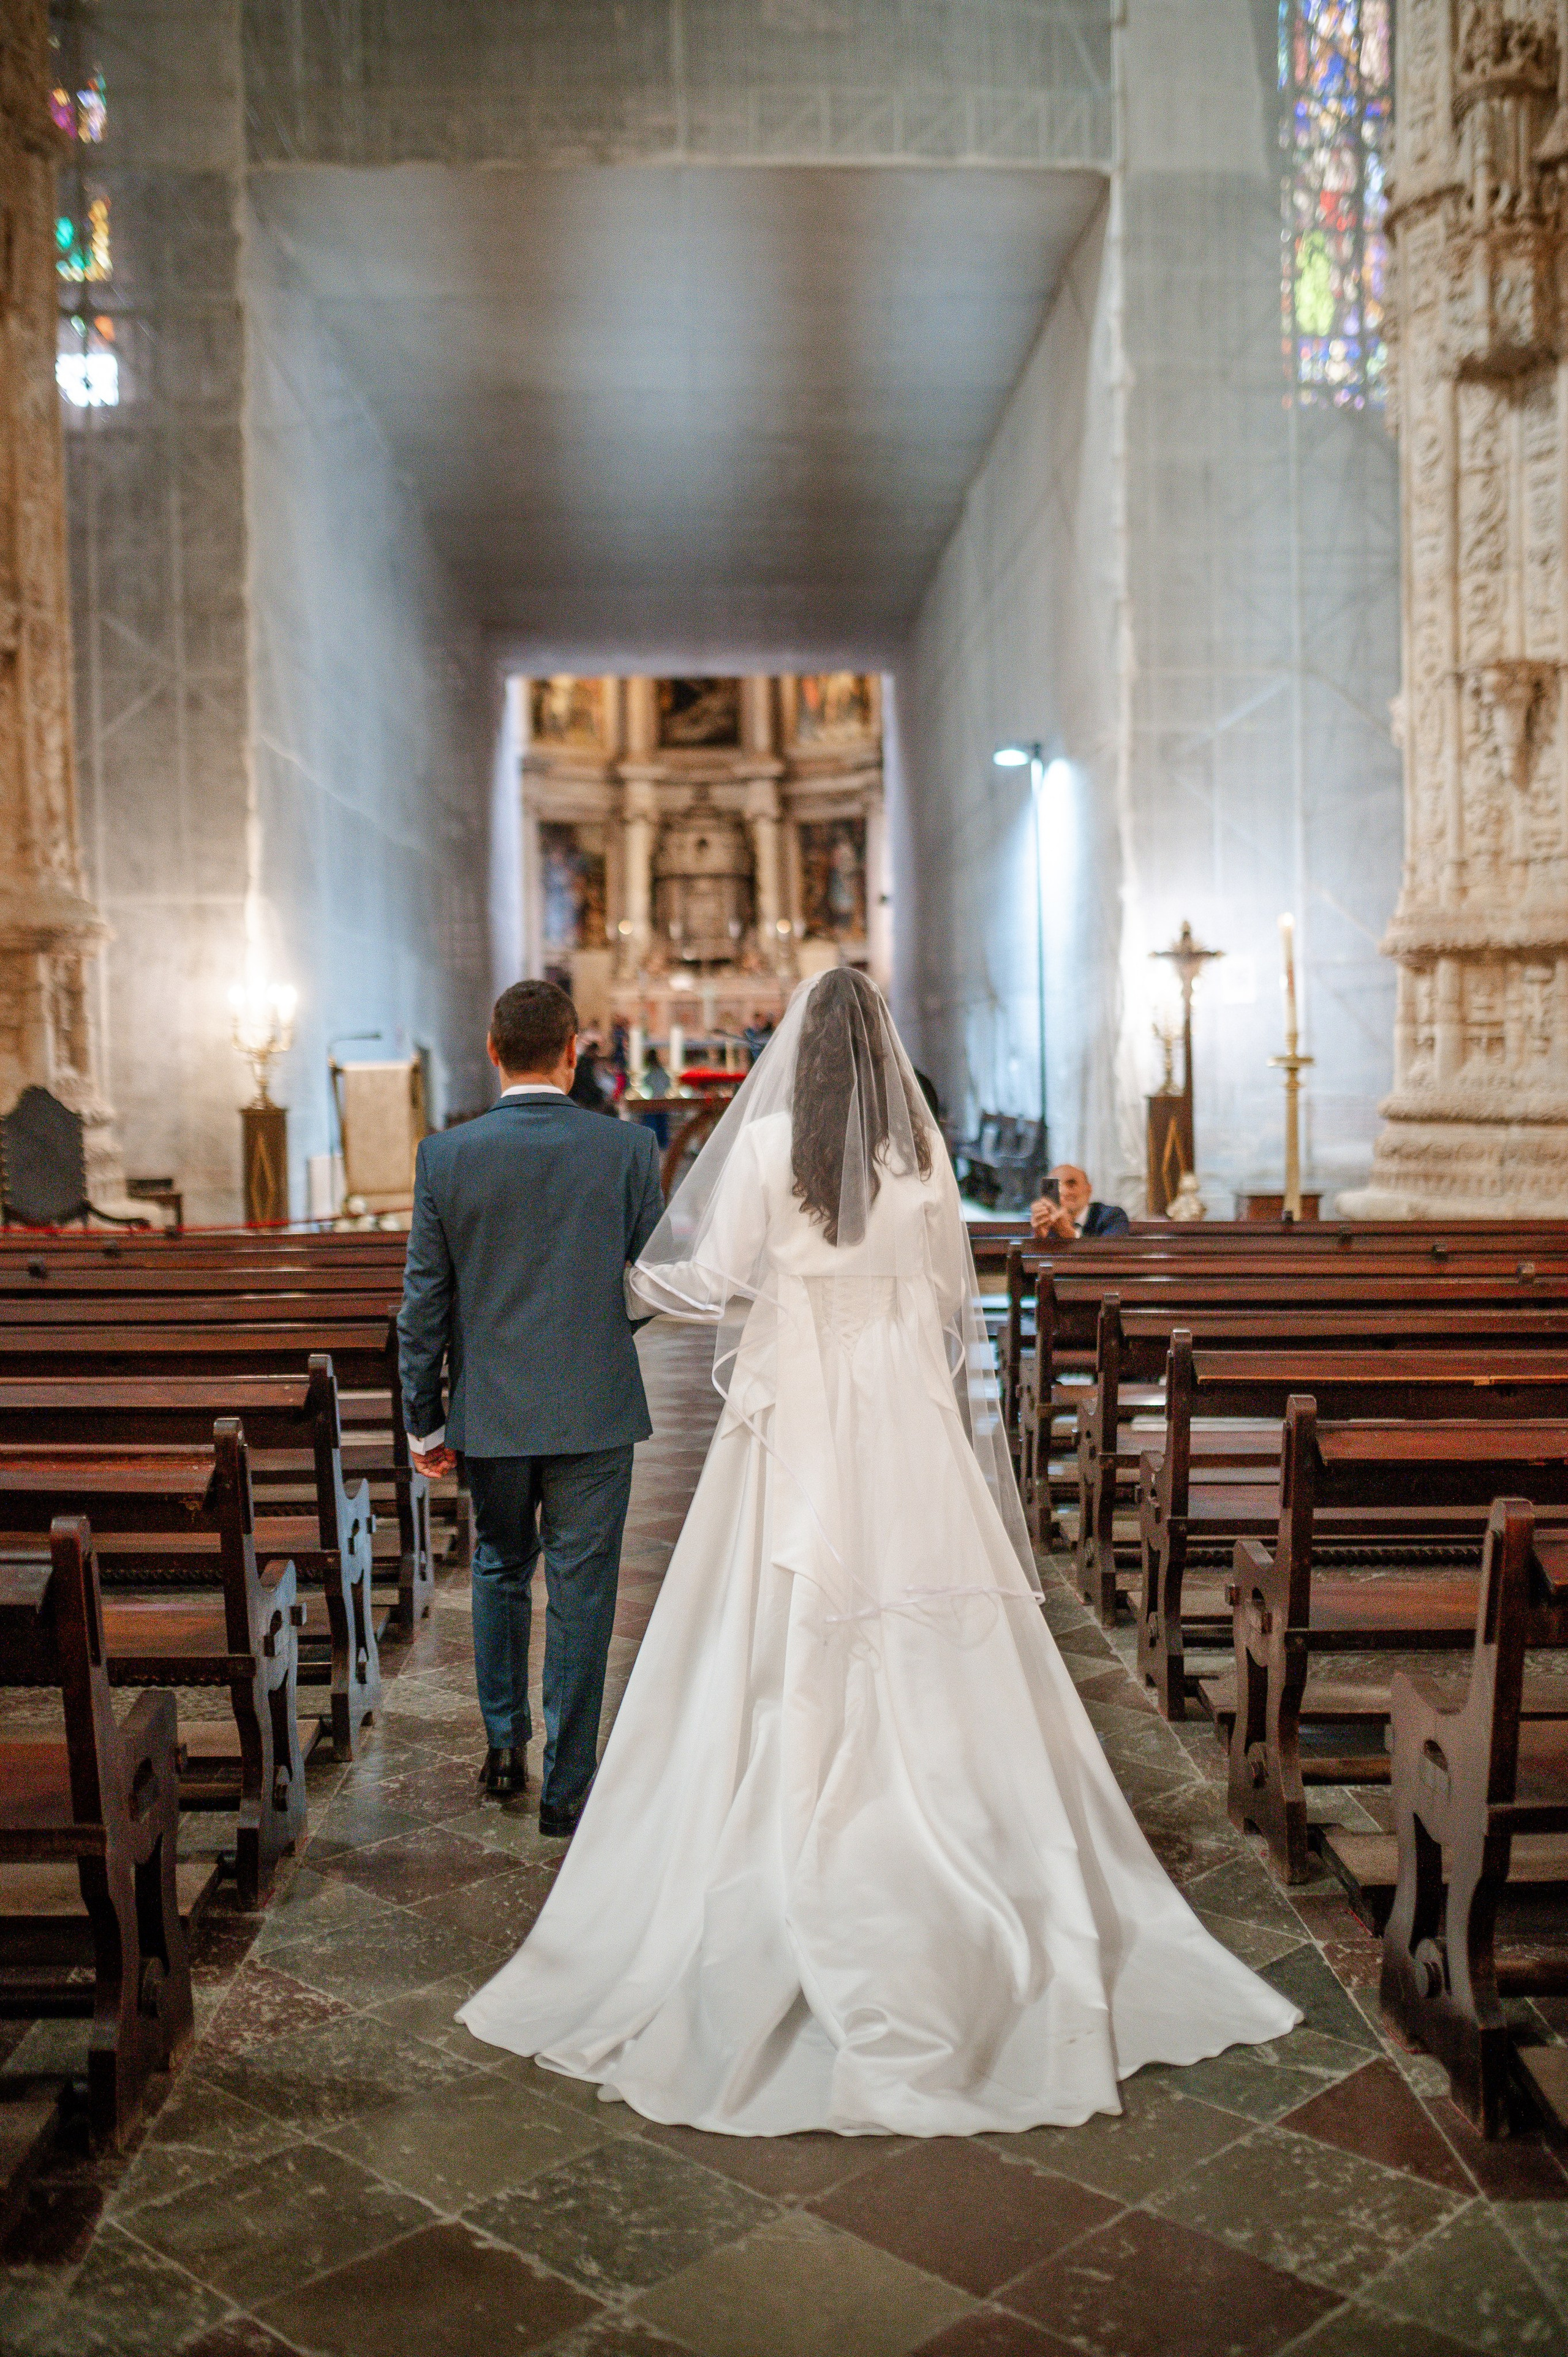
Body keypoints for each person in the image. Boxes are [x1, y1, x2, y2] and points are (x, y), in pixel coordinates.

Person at [457, 969, 1298, 2134]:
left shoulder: (764, 1151)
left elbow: (713, 1280)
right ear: (885, 1057)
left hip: (797, 1418)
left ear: (795, 1062)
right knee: (924, 1595)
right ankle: (959, 1811)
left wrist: (622, 1283)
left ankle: (784, 1820)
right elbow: (953, 1299)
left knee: (776, 1611)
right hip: (902, 1414)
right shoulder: (921, 1159)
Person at [397, 979, 665, 1832]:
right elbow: (651, 1284)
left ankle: (504, 1745)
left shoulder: (446, 1156)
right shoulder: (627, 1150)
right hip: (594, 1407)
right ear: (573, 1050)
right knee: (583, 1594)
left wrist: (424, 1419)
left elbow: (423, 1305)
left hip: (495, 1409)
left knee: (500, 1566)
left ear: (491, 1049)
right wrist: (597, 1326)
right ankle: (568, 1787)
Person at [1030, 1162, 1131, 1242]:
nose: (1065, 1192)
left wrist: (1071, 1235)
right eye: (1057, 1186)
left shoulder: (1112, 1216)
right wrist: (1039, 1239)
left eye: (1072, 1185)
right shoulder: (1046, 1220)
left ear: (1089, 1189)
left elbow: (1110, 1255)